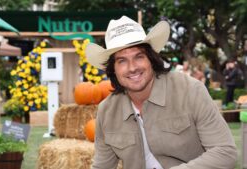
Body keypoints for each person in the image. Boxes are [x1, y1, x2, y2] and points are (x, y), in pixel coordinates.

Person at [86, 16, 237, 169]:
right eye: (122, 61)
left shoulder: (190, 91)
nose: (132, 68)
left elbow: (225, 152)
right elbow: (101, 166)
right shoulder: (106, 110)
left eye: (139, 56)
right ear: (113, 69)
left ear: (151, 59)